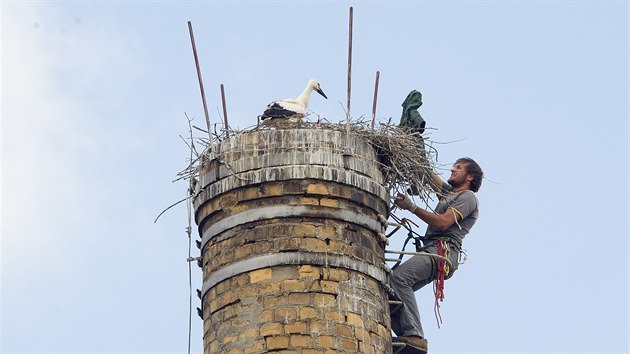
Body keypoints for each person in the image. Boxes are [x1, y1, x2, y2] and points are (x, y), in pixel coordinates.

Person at [390, 157, 483, 352]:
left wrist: (412, 207)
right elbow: (428, 174)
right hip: (432, 249)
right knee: (389, 287)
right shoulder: (449, 193)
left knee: (399, 278)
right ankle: (407, 336)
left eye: (458, 168)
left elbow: (442, 223)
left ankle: (414, 335)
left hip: (441, 251)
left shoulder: (467, 197)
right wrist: (417, 151)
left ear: (470, 176)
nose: (453, 169)